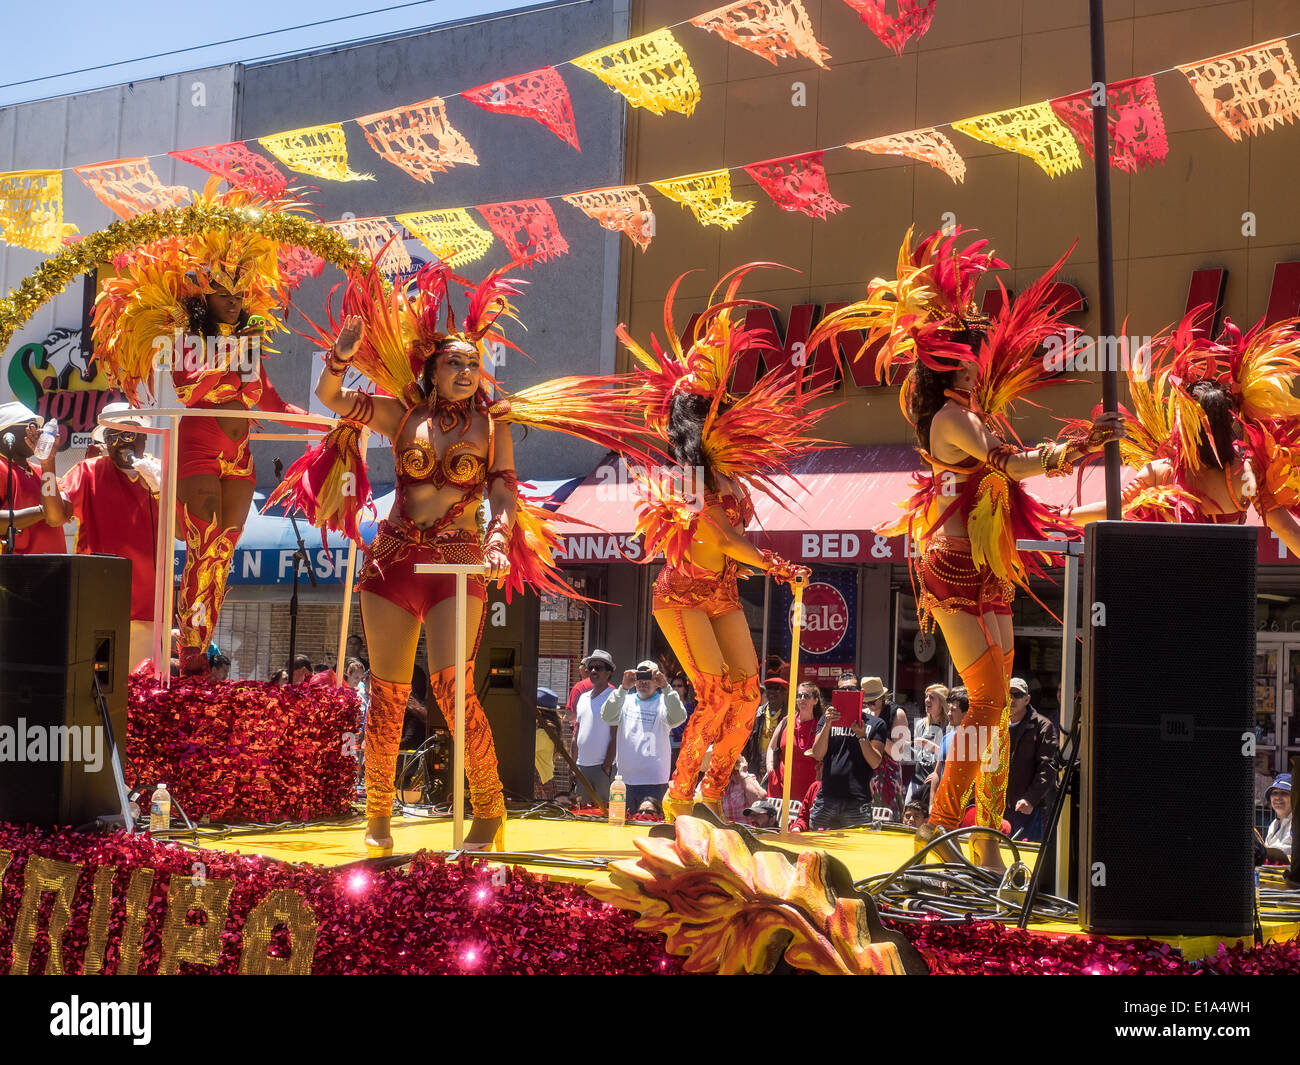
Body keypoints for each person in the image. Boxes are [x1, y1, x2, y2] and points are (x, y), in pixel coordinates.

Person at [283, 259, 650, 856]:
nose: (465, 371)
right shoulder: (402, 415)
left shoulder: (491, 425)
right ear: (431, 369)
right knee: (387, 694)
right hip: (393, 561)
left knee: (455, 691)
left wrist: (500, 538)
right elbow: (330, 398)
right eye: (453, 362)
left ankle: (490, 809)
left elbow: (504, 491)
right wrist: (339, 356)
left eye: (473, 364)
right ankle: (378, 813)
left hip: (457, 564)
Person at [811, 227, 1121, 868]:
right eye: (971, 356)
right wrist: (1076, 447)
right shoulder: (952, 420)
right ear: (950, 364)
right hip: (950, 568)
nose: (982, 363)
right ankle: (943, 825)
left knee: (997, 705)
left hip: (985, 564)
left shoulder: (968, 410)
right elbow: (1009, 463)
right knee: (985, 701)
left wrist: (1077, 448)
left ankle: (983, 836)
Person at [624, 266, 818, 822]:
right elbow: (724, 537)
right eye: (714, 407)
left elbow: (733, 541)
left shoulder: (728, 474)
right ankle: (678, 797)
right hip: (681, 596)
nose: (727, 413)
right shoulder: (687, 480)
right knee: (712, 694)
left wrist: (766, 563)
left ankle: (712, 794)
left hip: (722, 593)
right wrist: (776, 564)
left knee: (749, 695)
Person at [93, 187, 314, 675]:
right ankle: (189, 655)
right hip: (197, 445)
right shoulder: (186, 338)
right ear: (205, 297)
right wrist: (231, 352)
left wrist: (323, 424)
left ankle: (200, 646)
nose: (234, 303)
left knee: (223, 549)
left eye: (239, 296)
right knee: (203, 539)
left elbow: (272, 401)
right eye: (224, 295)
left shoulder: (249, 343)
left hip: (240, 452)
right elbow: (188, 389)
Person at [1063, 312, 1300, 556]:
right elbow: (1288, 531)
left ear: (1184, 422)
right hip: (1226, 578)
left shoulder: (1159, 472)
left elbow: (1113, 509)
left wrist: (1059, 517)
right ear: (1228, 422)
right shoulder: (1245, 473)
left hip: (1168, 579)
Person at [34, 403, 160, 666]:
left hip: (149, 610)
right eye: (112, 437)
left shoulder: (161, 472)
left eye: (127, 434)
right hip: (97, 605)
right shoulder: (89, 471)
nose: (120, 443)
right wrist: (47, 465)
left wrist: (161, 490)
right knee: (95, 684)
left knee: (143, 687)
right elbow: (54, 517)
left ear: (143, 437)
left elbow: (183, 532)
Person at [602, 662, 687, 810]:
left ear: (656, 681)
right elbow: (607, 716)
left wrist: (666, 687)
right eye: (640, 676)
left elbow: (679, 717)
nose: (643, 681)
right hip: (624, 781)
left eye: (649, 677)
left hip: (654, 782)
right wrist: (623, 688)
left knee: (650, 823)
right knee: (622, 821)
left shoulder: (664, 702)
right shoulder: (625, 700)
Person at [808, 681, 889, 830]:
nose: (846, 692)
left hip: (857, 802)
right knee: (818, 844)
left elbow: (875, 762)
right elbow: (818, 754)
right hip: (826, 799)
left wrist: (862, 736)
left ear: (860, 693)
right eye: (842, 689)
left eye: (851, 689)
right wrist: (827, 724)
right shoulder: (826, 720)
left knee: (856, 845)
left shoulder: (876, 723)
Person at [0, 402, 66, 555]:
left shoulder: (42, 469)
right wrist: (44, 510)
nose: (40, 432)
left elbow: (60, 515)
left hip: (56, 565)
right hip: (16, 567)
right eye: (32, 426)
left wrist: (48, 463)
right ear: (7, 433)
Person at [1003, 677, 1058, 841]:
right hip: (998, 808)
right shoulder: (998, 724)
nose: (1012, 699)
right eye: (1009, 694)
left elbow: (1047, 767)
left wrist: (1030, 799)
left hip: (1027, 810)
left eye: (1017, 695)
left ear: (1027, 699)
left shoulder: (1043, 726)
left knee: (1026, 854)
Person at [765, 681, 823, 805]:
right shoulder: (786, 721)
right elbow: (771, 747)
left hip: (809, 788)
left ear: (815, 700)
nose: (802, 699)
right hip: (780, 787)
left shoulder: (821, 725)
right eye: (799, 695)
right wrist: (770, 768)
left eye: (807, 696)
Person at [573, 649, 618, 805]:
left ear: (608, 672)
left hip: (602, 769)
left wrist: (606, 767)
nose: (593, 671)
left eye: (598, 668)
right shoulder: (583, 698)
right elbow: (576, 734)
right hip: (581, 767)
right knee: (581, 812)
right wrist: (573, 764)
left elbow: (615, 735)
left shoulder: (614, 697)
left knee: (603, 813)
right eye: (590, 667)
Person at [861, 677, 903, 820]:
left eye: (872, 702)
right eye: (866, 702)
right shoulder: (865, 714)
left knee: (888, 817)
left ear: (882, 697)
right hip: (868, 772)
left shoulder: (896, 713)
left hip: (888, 777)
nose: (869, 706)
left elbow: (899, 753)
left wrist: (879, 734)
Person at [744, 674, 789, 784]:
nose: (771, 692)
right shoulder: (757, 713)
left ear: (784, 693)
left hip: (777, 768)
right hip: (756, 768)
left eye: (776, 688)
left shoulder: (789, 717)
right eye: (769, 688)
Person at [909, 683, 949, 807]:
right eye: (926, 697)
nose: (927, 700)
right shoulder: (920, 724)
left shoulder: (949, 727)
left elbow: (951, 756)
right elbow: (919, 756)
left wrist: (930, 746)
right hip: (917, 780)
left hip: (937, 782)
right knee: (909, 812)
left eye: (932, 697)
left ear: (942, 703)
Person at [1263, 774, 1292, 862]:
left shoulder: (1297, 824)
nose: (1277, 798)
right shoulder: (1273, 824)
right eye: (1274, 793)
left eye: (1284, 793)